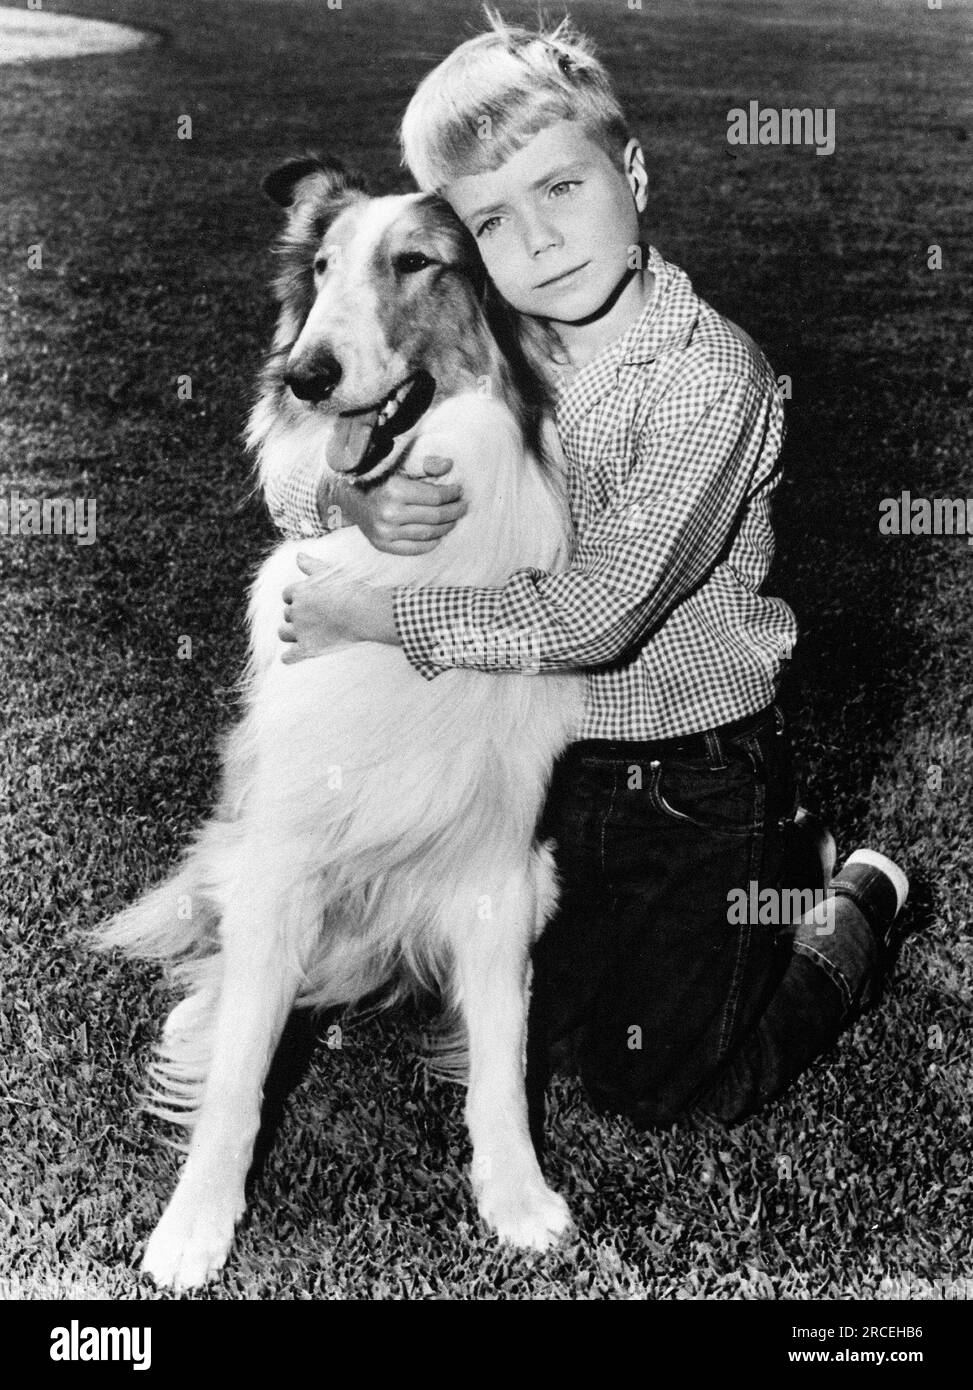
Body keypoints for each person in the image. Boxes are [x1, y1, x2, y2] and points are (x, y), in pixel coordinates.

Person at [272, 11, 910, 1131]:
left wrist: (376, 611)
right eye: (493, 222)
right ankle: (764, 871)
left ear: (636, 174)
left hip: (682, 766)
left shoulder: (710, 377)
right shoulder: (492, 353)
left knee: (658, 1082)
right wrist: (353, 495)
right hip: (537, 766)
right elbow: (303, 462)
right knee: (494, 1023)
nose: (541, 243)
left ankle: (851, 899)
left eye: (563, 190)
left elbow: (600, 611)